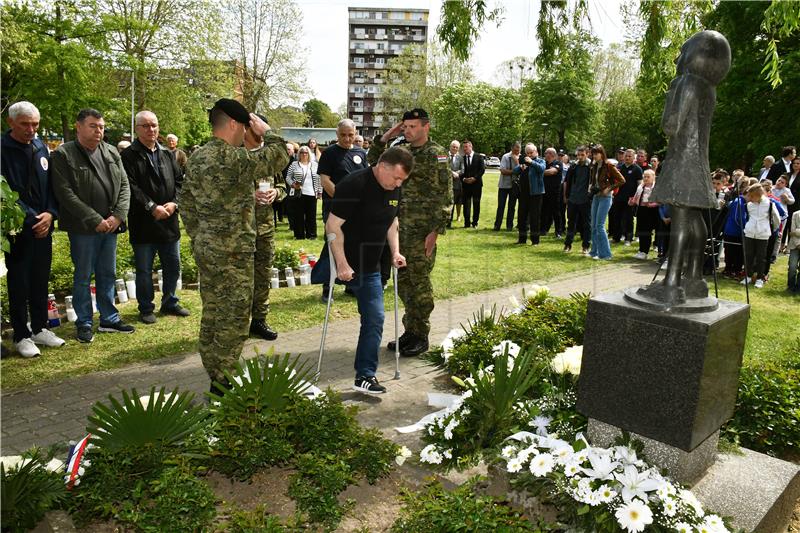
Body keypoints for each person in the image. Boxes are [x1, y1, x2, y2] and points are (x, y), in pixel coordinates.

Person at [179, 98, 288, 390]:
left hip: (208, 248)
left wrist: (201, 235)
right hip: (233, 252)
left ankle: (214, 369)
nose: (245, 134)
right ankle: (223, 381)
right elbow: (279, 156)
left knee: (213, 310)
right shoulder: (231, 157)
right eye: (244, 127)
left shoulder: (199, 156)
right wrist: (267, 130)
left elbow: (186, 203)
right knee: (235, 316)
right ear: (233, 124)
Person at [326, 147, 412, 393]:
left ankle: (364, 376)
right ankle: (366, 373)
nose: (398, 183)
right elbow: (332, 226)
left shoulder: (394, 186)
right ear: (382, 167)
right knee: (375, 317)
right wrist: (342, 264)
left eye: (402, 180)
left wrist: (395, 251)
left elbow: (392, 222)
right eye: (396, 178)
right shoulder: (353, 185)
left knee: (374, 318)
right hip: (350, 261)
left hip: (374, 262)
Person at [369, 108, 451, 357]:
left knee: (419, 283)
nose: (408, 130)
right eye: (405, 126)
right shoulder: (401, 151)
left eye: (413, 126)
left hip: (422, 230)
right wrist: (384, 138)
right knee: (404, 283)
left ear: (426, 126)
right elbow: (376, 165)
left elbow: (445, 194)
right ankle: (410, 331)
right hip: (398, 229)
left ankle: (421, 334)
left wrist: (436, 231)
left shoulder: (435, 154)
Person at [51, 109, 134, 342]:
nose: (99, 131)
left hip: (110, 226)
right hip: (83, 229)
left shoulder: (110, 151)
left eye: (101, 127)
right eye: (93, 126)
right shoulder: (63, 154)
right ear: (78, 126)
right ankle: (85, 321)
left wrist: (118, 216)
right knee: (83, 276)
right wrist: (94, 219)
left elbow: (125, 185)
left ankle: (109, 318)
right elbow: (64, 193)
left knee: (108, 273)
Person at [1, 101, 64, 357]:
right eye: (25, 124)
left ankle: (39, 327)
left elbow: (51, 186)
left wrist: (50, 214)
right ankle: (21, 334)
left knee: (40, 278)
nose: (31, 129)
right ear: (11, 123)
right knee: (19, 281)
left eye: (35, 124)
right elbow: (4, 192)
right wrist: (33, 219)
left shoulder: (40, 146)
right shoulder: (2, 150)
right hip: (19, 228)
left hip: (44, 226)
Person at [121, 110, 188, 325]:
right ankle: (146, 307)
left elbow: (180, 182)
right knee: (144, 270)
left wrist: (174, 203)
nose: (151, 130)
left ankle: (170, 301)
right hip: (144, 222)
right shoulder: (129, 155)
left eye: (154, 125)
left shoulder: (168, 154)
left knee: (173, 265)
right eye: (146, 126)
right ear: (137, 129)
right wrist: (151, 207)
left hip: (169, 221)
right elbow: (130, 186)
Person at [244, 115, 288, 341]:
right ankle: (240, 323)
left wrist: (276, 192)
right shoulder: (238, 155)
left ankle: (259, 320)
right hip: (241, 229)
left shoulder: (270, 158)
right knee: (242, 279)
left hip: (265, 228)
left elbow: (283, 184)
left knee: (262, 276)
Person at [318, 119, 368, 302]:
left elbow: (365, 179)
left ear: (355, 133)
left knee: (352, 245)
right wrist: (342, 201)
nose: (347, 139)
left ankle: (350, 284)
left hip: (355, 210)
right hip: (334, 209)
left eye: (351, 135)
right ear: (337, 135)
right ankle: (327, 287)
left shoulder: (361, 153)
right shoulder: (329, 153)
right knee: (332, 245)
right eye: (343, 135)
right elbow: (325, 180)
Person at [588, 144, 625, 260]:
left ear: (602, 153)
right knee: (593, 225)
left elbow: (622, 180)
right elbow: (593, 180)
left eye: (596, 153)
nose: (594, 155)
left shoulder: (609, 165)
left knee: (599, 226)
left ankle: (605, 254)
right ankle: (594, 251)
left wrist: (609, 189)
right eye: (593, 153)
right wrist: (591, 186)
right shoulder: (594, 166)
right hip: (596, 196)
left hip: (606, 197)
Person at [742, 183, 780, 288]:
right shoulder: (749, 205)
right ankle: (748, 276)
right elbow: (748, 217)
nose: (749, 198)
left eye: (752, 196)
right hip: (749, 233)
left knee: (761, 257)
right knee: (748, 256)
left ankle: (759, 278)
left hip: (763, 234)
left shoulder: (770, 204)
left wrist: (770, 230)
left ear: (758, 195)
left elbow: (777, 219)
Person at [286, 145, 321, 239]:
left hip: (312, 193)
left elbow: (319, 179)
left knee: (311, 216)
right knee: (299, 215)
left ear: (309, 154)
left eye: (306, 152)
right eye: (302, 152)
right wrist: (293, 184)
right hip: (299, 193)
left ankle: (312, 235)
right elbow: (288, 177)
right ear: (299, 154)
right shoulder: (294, 164)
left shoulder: (315, 164)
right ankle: (299, 235)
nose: (304, 154)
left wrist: (319, 191)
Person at [513, 143, 545, 245]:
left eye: (531, 152)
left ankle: (535, 241)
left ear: (536, 152)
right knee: (522, 217)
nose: (530, 155)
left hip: (536, 193)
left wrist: (532, 162)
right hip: (524, 193)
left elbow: (541, 169)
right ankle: (522, 239)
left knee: (534, 217)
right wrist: (521, 167)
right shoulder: (524, 162)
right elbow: (515, 171)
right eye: (528, 153)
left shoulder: (540, 161)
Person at [563, 145, 592, 254]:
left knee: (587, 224)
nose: (580, 157)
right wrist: (566, 196)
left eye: (582, 155)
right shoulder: (573, 166)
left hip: (585, 199)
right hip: (573, 198)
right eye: (578, 155)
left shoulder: (591, 166)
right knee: (571, 222)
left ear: (587, 154)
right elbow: (567, 181)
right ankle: (567, 244)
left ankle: (586, 246)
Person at [609, 149, 642, 245]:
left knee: (628, 219)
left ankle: (628, 238)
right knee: (617, 217)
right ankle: (616, 237)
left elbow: (639, 185)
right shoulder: (619, 168)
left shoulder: (637, 169)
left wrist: (635, 198)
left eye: (629, 156)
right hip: (618, 197)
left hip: (630, 198)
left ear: (633, 157)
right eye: (626, 156)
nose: (627, 158)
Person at [631, 169, 660, 260]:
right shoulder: (641, 186)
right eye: (644, 176)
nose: (646, 178)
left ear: (653, 177)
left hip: (654, 211)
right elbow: (636, 198)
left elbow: (661, 201)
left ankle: (657, 250)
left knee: (654, 231)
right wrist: (632, 201)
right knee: (643, 231)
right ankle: (642, 251)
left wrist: (653, 204)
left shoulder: (657, 187)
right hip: (642, 210)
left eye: (648, 177)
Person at [459, 140, 485, 228]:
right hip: (466, 185)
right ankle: (466, 223)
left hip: (476, 184)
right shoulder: (462, 158)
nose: (464, 149)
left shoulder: (479, 157)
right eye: (463, 147)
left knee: (476, 203)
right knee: (466, 204)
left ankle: (475, 223)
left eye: (466, 147)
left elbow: (482, 170)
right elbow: (461, 171)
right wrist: (464, 179)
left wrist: (474, 178)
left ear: (471, 147)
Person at [495, 142, 520, 231]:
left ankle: (509, 226)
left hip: (514, 186)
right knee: (501, 206)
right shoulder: (506, 156)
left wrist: (517, 162)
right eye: (516, 150)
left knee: (511, 207)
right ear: (512, 148)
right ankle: (497, 225)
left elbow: (521, 169)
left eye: (519, 150)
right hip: (503, 185)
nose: (517, 151)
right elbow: (503, 171)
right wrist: (515, 171)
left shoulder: (520, 157)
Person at [540, 147, 563, 238]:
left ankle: (558, 231)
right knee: (544, 211)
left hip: (554, 192)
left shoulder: (558, 163)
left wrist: (539, 172)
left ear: (552, 154)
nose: (545, 155)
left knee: (556, 212)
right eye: (545, 153)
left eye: (546, 153)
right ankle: (543, 230)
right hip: (544, 191)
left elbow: (552, 172)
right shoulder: (544, 163)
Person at [447, 140, 464, 226]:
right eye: (453, 147)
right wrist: (451, 173)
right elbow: (442, 167)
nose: (455, 148)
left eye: (456, 147)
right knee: (447, 202)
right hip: (446, 183)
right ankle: (447, 220)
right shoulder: (444, 155)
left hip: (456, 183)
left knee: (455, 201)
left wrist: (457, 173)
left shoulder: (460, 158)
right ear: (450, 147)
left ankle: (452, 219)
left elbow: (463, 169)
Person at [787, 209, 800, 292]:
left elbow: (794, 232)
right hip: (794, 245)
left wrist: (797, 231)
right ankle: (790, 286)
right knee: (792, 267)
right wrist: (798, 244)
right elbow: (792, 230)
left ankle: (799, 287)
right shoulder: (796, 214)